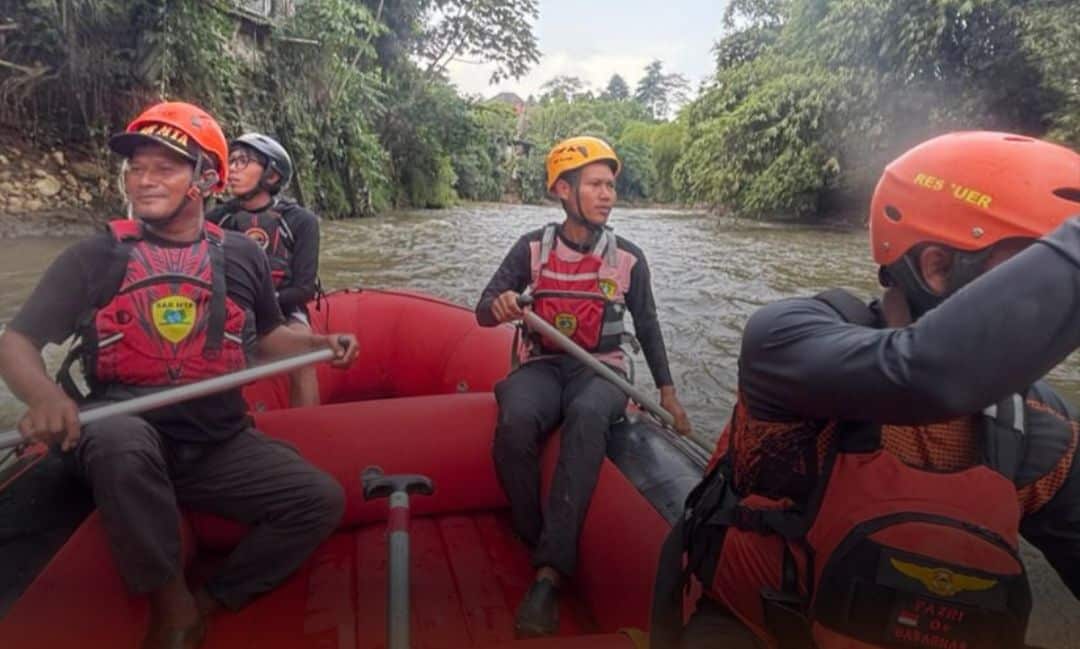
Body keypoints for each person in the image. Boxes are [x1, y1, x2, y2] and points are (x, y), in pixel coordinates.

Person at [653, 131, 1080, 649]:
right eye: (1030, 272)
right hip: (755, 632)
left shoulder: (1043, 428)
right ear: (937, 268)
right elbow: (925, 373)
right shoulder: (786, 341)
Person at [0, 102, 359, 649]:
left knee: (319, 500)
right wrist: (44, 395)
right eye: (136, 167)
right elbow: (17, 342)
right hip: (127, 430)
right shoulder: (95, 257)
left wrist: (316, 344)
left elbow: (265, 339)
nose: (143, 180)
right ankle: (173, 608)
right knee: (118, 439)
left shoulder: (242, 256)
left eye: (165, 167)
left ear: (205, 180)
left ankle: (215, 599)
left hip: (216, 440)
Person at [476, 135, 693, 637]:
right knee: (515, 421)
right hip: (541, 366)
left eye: (610, 186)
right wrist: (503, 304)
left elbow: (650, 326)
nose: (606, 195)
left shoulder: (628, 258)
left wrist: (667, 393)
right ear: (563, 189)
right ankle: (533, 534)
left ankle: (550, 574)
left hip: (602, 369)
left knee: (589, 415)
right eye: (594, 185)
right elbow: (483, 310)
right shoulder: (531, 248)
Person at [207, 133, 322, 407]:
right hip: (229, 307)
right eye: (231, 161)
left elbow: (305, 289)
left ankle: (309, 431)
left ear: (271, 175)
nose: (233, 168)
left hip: (285, 309)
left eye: (244, 161)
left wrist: (261, 304)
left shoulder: (301, 221)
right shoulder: (216, 219)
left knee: (304, 355)